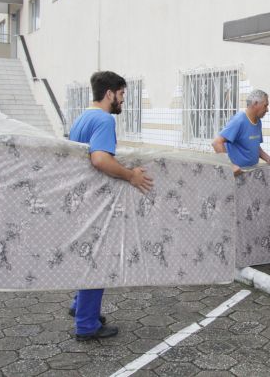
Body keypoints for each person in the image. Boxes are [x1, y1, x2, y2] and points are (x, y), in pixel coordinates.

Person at [68, 71, 154, 341]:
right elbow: (100, 159)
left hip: (82, 200)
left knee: (88, 258)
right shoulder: (104, 119)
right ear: (110, 94)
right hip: (95, 202)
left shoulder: (83, 117)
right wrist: (132, 176)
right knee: (96, 261)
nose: (123, 100)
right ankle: (86, 325)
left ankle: (79, 307)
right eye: (122, 94)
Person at [212, 89, 270, 175]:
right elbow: (216, 143)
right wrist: (230, 166)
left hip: (250, 173)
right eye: (265, 105)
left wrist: (267, 158)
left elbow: (254, 145)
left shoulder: (258, 121)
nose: (267, 109)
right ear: (255, 103)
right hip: (237, 175)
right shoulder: (239, 120)